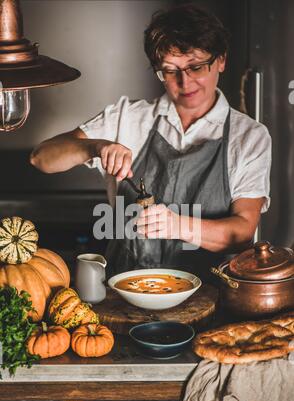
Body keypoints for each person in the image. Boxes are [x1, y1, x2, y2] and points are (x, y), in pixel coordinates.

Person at [30, 4, 271, 282]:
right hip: (123, 294)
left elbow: (242, 232)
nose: (185, 81)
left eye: (195, 66)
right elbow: (41, 158)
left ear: (221, 60)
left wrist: (178, 225)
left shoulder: (250, 136)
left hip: (211, 298)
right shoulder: (127, 118)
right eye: (170, 70)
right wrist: (94, 146)